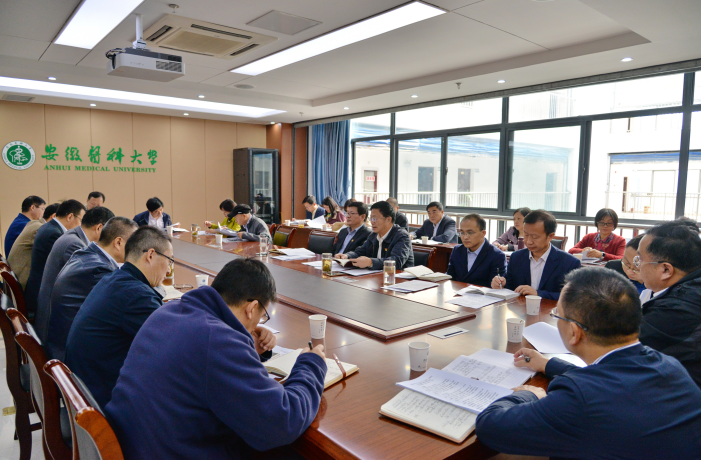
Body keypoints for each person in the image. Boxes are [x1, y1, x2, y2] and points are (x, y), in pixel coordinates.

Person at [105, 258, 326, 460]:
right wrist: (311, 363)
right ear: (251, 308)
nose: (259, 323)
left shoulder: (169, 310)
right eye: (262, 315)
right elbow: (282, 422)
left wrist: (246, 346)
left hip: (132, 444)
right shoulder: (218, 340)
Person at [475, 268, 701, 459]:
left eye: (557, 314)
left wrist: (529, 395)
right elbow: (611, 380)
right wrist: (549, 364)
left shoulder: (579, 398)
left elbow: (490, 427)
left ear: (574, 332)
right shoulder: (669, 365)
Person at [65, 226, 172, 408]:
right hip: (104, 399)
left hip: (85, 389)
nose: (169, 270)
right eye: (169, 261)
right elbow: (171, 344)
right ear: (151, 255)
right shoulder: (136, 295)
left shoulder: (114, 279)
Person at [46, 217, 138, 361]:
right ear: (118, 242)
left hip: (62, 344)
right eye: (134, 245)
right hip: (73, 357)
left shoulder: (88, 254)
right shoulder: (98, 270)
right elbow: (128, 308)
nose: (136, 251)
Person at [35, 206, 115, 343]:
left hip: (53, 313)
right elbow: (98, 287)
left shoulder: (73, 236)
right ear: (99, 228)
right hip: (55, 326)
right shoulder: (75, 245)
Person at [636, 221, 701, 386]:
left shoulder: (675, 310)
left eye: (640, 259)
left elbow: (619, 351)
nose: (637, 266)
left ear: (666, 270)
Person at [491, 210, 580, 300]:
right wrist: (501, 284)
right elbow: (510, 286)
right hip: (520, 307)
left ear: (550, 236)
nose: (529, 241)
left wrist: (538, 293)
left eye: (535, 237)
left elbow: (573, 297)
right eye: (526, 235)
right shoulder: (516, 257)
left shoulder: (570, 263)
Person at [24, 200, 85, 319]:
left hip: (38, 287)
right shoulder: (54, 234)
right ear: (70, 216)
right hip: (42, 296)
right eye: (81, 220)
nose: (81, 225)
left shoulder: (49, 227)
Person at [337, 201, 414, 270]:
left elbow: (396, 261)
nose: (372, 222)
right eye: (371, 219)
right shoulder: (374, 235)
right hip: (377, 276)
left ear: (388, 219)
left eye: (375, 218)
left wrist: (370, 262)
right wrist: (346, 256)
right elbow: (361, 251)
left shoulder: (402, 236)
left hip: (398, 278)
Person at [7, 203, 58, 288]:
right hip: (23, 279)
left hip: (16, 274)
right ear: (54, 216)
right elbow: (55, 254)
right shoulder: (41, 228)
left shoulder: (34, 223)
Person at [447, 214, 506, 287]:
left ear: (483, 233)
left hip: (482, 294)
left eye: (470, 233)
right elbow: (450, 276)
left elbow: (495, 286)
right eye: (462, 233)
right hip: (457, 292)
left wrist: (498, 284)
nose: (465, 237)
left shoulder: (497, 256)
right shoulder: (457, 250)